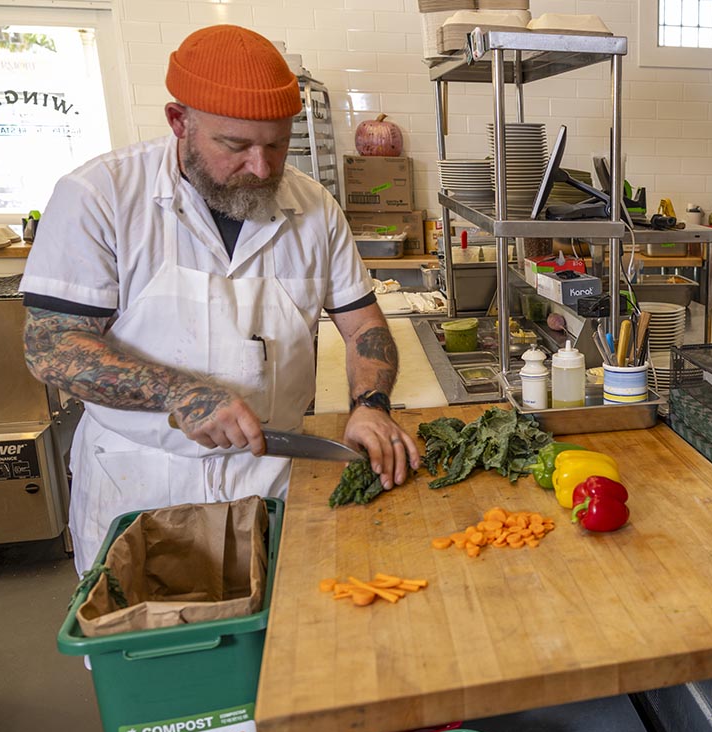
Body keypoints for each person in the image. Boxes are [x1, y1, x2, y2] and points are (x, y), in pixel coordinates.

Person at [21, 24, 420, 575]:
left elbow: (362, 326)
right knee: (160, 655)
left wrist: (370, 407)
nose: (261, 168)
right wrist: (179, 392)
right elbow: (52, 347)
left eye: (277, 144)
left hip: (274, 477)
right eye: (235, 145)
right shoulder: (99, 196)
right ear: (179, 122)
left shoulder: (315, 207)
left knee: (285, 646)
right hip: (143, 485)